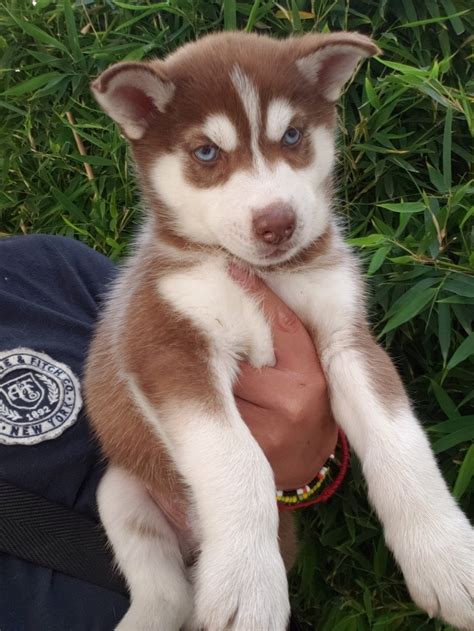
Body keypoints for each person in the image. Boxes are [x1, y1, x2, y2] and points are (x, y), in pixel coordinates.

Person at [0, 234, 339, 631]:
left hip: (235, 558)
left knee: (118, 484)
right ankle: (160, 600)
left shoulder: (44, 268)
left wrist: (305, 468)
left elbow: (285, 406)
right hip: (169, 559)